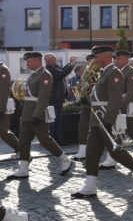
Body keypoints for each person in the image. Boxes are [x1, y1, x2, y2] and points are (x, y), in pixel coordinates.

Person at [71, 46, 133, 199]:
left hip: (106, 119)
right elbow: (101, 96)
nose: (94, 60)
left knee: (116, 152)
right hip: (97, 119)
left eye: (97, 57)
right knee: (92, 152)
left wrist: (108, 121)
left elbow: (115, 99)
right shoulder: (104, 72)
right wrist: (87, 100)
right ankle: (90, 185)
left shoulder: (114, 72)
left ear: (105, 57)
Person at [7, 52, 73, 180]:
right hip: (27, 113)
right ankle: (23, 168)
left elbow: (44, 96)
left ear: (37, 61)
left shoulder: (45, 75)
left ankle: (65, 160)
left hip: (37, 113)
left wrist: (38, 114)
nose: (27, 64)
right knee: (23, 141)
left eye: (29, 61)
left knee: (45, 140)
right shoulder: (33, 74)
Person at [44, 53, 76, 145]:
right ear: (49, 60)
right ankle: (53, 142)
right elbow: (61, 74)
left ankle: (59, 141)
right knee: (54, 123)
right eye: (54, 58)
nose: (56, 59)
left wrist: (69, 64)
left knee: (58, 122)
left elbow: (62, 70)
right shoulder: (49, 70)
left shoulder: (54, 67)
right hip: (54, 101)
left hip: (58, 100)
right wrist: (71, 65)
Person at [73, 54, 95, 161]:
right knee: (82, 127)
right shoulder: (86, 73)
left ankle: (111, 153)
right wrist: (80, 96)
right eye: (88, 61)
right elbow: (80, 87)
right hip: (86, 105)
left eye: (91, 60)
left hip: (98, 106)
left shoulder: (102, 72)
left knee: (99, 130)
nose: (90, 63)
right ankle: (82, 150)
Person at [0, 62, 20, 156]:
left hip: (1, 107)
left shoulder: (2, 69)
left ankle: (21, 148)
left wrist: (1, 109)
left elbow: (4, 91)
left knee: (3, 131)